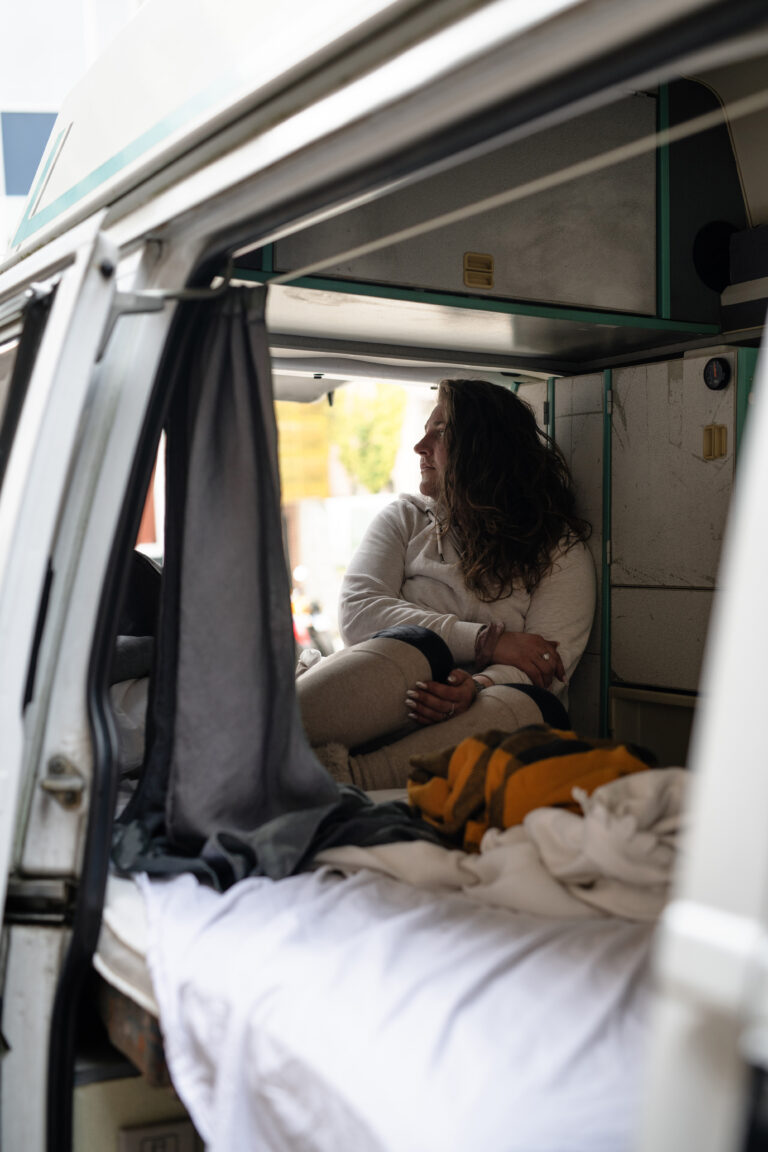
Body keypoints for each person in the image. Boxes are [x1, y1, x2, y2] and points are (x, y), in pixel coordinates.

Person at [296, 378, 596, 789]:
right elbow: (359, 611)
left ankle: (341, 782)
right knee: (415, 646)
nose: (421, 446)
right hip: (378, 704)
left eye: (440, 431)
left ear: (485, 448)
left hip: (470, 720)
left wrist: (474, 684)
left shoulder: (559, 550)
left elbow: (546, 667)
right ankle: (255, 741)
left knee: (534, 708)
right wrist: (482, 643)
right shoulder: (405, 517)